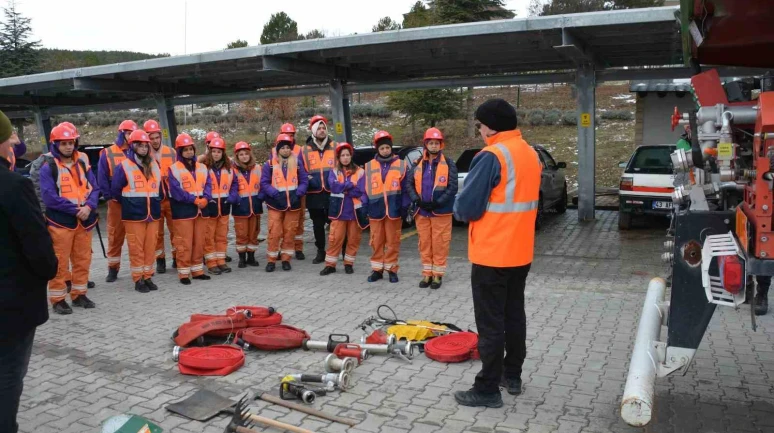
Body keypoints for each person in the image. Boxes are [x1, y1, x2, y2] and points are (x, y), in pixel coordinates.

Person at [453, 99, 541, 408]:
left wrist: (456, 202)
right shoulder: (530, 154)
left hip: (492, 255)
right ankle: (511, 375)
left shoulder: (491, 156)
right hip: (521, 252)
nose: (478, 130)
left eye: (478, 125)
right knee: (514, 316)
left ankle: (487, 389)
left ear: (490, 126)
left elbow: (466, 209)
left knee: (490, 324)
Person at [0, 110, 58, 433]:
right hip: (10, 309)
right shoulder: (13, 187)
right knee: (7, 378)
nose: (16, 143)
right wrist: (48, 270)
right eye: (10, 136)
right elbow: (41, 255)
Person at [40, 124, 99, 313]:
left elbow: (95, 188)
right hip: (61, 222)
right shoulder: (48, 166)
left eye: (71, 143)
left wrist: (89, 206)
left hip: (84, 221)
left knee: (83, 259)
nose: (68, 147)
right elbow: (50, 198)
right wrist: (76, 210)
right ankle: (58, 299)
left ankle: (79, 294)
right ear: (55, 144)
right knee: (60, 262)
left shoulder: (82, 162)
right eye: (64, 143)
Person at [111, 130, 164, 293]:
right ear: (132, 146)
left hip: (152, 214)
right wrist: (130, 203)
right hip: (134, 216)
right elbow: (115, 191)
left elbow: (159, 190)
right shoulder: (124, 166)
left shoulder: (155, 165)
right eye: (139, 145)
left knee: (150, 247)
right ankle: (138, 279)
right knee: (136, 248)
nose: (143, 148)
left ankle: (147, 276)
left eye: (145, 145)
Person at [407, 127, 458, 290]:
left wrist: (438, 203)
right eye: (431, 143)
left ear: (441, 145)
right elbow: (409, 184)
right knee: (425, 243)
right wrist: (417, 200)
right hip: (422, 211)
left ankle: (437, 275)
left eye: (437, 143)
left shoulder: (449, 163)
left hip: (441, 212)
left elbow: (452, 187)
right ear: (426, 144)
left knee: (440, 243)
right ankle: (427, 273)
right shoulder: (417, 164)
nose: (434, 146)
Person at [168, 133, 212, 285]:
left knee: (199, 242)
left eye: (190, 149)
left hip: (201, 210)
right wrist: (194, 200)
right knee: (184, 243)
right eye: (185, 150)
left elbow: (208, 185)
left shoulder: (203, 167)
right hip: (183, 211)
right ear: (180, 152)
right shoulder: (173, 169)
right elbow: (176, 191)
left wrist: (206, 198)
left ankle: (198, 271)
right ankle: (184, 273)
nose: (189, 152)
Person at [365, 130, 409, 283]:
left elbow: (406, 189)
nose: (385, 150)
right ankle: (377, 270)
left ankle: (391, 270)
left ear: (391, 148)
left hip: (394, 210)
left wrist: (404, 207)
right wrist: (365, 206)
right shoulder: (369, 166)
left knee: (392, 242)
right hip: (375, 210)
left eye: (387, 148)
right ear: (377, 149)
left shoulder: (402, 165)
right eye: (382, 148)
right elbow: (364, 189)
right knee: (376, 241)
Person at [261, 133, 308, 272]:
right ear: (278, 149)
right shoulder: (269, 164)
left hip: (293, 204)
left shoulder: (298, 163)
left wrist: (298, 193)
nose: (286, 150)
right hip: (275, 203)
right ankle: (271, 260)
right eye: (283, 148)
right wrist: (274, 193)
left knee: (289, 233)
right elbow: (264, 182)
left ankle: (286, 259)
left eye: (288, 147)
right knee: (274, 232)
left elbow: (304, 181)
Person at [98, 119, 138, 282]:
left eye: (132, 134)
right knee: (115, 236)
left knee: (136, 237)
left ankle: (140, 270)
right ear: (122, 134)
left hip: (135, 202)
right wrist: (109, 196)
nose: (130, 137)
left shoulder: (139, 151)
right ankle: (113, 269)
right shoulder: (108, 153)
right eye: (128, 133)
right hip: (116, 202)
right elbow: (101, 176)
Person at [320, 142, 368, 276]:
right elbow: (333, 187)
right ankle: (330, 265)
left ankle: (348, 264)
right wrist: (350, 184)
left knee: (353, 239)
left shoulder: (360, 171)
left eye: (348, 155)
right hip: (338, 211)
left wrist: (344, 187)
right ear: (339, 157)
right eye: (343, 155)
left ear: (351, 156)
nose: (345, 158)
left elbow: (360, 190)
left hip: (354, 211)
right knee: (335, 239)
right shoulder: (334, 171)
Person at [301, 115, 336, 264]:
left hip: (332, 193)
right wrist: (309, 179)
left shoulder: (335, 146)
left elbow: (343, 166)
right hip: (314, 194)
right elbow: (300, 170)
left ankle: (337, 250)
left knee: (335, 224)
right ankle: (321, 251)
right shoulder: (304, 150)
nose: (322, 130)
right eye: (319, 128)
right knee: (317, 225)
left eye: (324, 128)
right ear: (313, 131)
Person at [144, 119, 177, 273]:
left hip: (171, 198)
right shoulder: (144, 154)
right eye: (151, 138)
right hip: (155, 200)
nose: (155, 141)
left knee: (175, 230)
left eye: (157, 137)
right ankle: (160, 260)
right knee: (157, 233)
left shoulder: (171, 152)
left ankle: (177, 257)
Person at [202, 137, 239, 274]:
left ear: (223, 153)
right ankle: (211, 263)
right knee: (209, 237)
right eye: (214, 151)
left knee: (222, 236)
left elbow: (235, 184)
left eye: (219, 151)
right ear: (210, 152)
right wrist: (207, 198)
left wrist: (232, 197)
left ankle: (221, 260)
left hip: (224, 207)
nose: (216, 154)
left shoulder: (229, 168)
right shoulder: (204, 167)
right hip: (210, 208)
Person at [273, 123, 306, 259]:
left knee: (298, 221)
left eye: (292, 135)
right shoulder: (274, 151)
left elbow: (303, 170)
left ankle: (297, 247)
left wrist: (300, 190)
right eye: (287, 135)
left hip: (296, 190)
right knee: (280, 223)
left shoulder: (300, 150)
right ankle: (282, 248)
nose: (290, 137)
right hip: (280, 193)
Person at [232, 141, 264, 268]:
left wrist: (262, 196)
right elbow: (231, 188)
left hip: (255, 207)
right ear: (237, 156)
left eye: (246, 154)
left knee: (253, 233)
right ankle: (241, 258)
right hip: (240, 208)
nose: (244, 156)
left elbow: (263, 183)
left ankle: (251, 256)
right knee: (241, 234)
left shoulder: (257, 168)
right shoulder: (232, 170)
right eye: (241, 154)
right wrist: (235, 199)